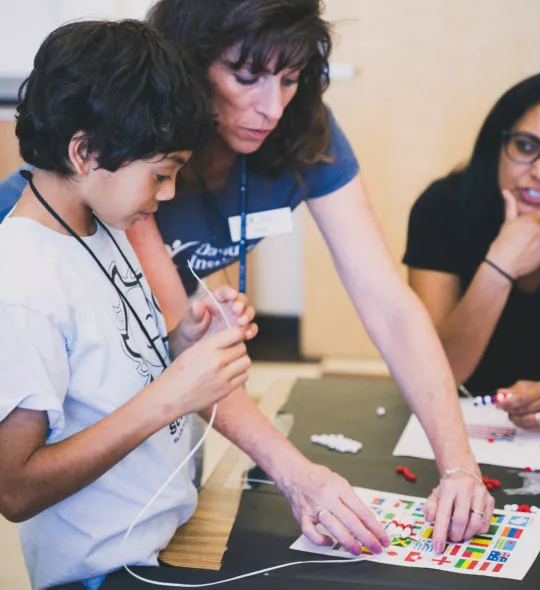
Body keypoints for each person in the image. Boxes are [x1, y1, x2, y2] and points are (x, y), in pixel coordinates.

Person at [0, 0, 492, 561]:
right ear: (193, 65)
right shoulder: (111, 181)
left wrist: (459, 466)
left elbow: (388, 303)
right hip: (99, 529)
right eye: (245, 76)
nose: (272, 108)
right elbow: (23, 481)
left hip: (154, 490)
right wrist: (297, 475)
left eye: (290, 78)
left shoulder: (143, 176)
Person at [0, 20, 257, 590]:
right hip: (101, 572)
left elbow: (108, 371)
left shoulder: (104, 221)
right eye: (160, 175)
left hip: (161, 541)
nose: (166, 195)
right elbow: (14, 490)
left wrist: (185, 344)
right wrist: (171, 398)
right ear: (86, 151)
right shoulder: (20, 283)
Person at [404, 72, 540, 432]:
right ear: (498, 145)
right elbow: (436, 375)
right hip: (457, 419)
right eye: (527, 147)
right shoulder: (442, 207)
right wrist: (501, 265)